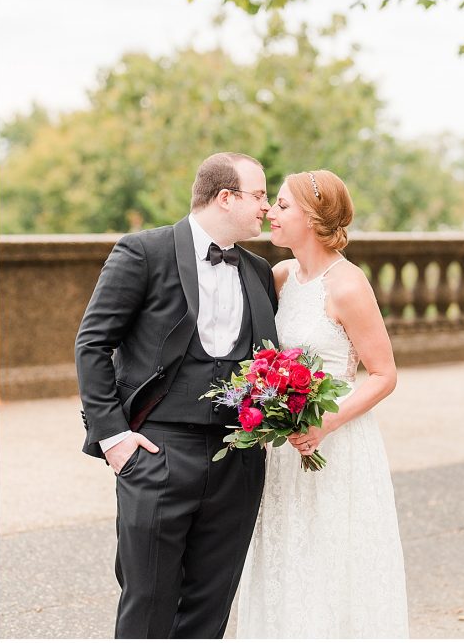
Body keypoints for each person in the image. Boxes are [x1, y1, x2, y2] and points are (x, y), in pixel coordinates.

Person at [75, 152, 279, 639]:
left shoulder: (260, 272)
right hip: (157, 451)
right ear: (225, 198)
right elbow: (93, 343)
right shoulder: (145, 251)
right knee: (148, 602)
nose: (267, 208)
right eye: (259, 196)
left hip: (238, 458)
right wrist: (114, 438)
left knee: (210, 607)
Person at [236, 170, 409, 637]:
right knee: (285, 555)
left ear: (312, 219)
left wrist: (325, 423)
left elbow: (384, 374)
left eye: (284, 205)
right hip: (282, 448)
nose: (271, 212)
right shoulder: (281, 276)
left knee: (331, 557)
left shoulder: (348, 286)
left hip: (335, 443)